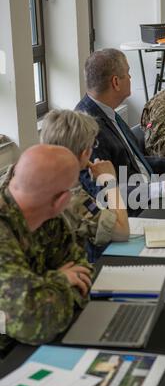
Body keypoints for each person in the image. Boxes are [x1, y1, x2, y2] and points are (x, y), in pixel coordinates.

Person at [75, 49, 165, 210]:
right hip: (136, 211)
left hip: (151, 192)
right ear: (116, 82)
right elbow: (103, 194)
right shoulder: (87, 128)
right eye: (128, 73)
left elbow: (135, 162)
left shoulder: (108, 113)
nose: (131, 78)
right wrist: (162, 188)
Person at [0, 145, 93, 347]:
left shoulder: (51, 220)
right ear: (63, 199)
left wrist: (42, 289)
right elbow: (34, 324)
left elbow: (83, 275)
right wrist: (59, 279)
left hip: (27, 347)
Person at [40, 109, 129, 261]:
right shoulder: (70, 195)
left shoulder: (26, 174)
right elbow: (122, 232)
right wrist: (110, 182)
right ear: (84, 153)